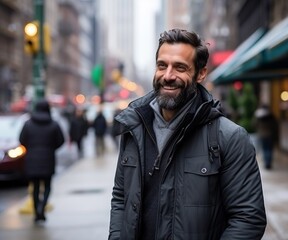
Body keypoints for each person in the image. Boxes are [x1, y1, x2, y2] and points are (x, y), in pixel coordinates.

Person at [108, 29, 266, 239]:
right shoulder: (134, 128)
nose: (168, 76)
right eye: (162, 65)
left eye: (180, 67)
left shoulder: (230, 138)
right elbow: (121, 198)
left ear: (200, 73)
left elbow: (248, 219)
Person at [19, 99, 65, 223]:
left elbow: (21, 139)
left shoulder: (28, 124)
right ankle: (41, 208)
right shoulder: (54, 124)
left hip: (32, 160)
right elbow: (61, 140)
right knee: (48, 186)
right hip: (48, 159)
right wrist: (50, 148)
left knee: (35, 187)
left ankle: (37, 211)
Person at [255, 104, 278, 169]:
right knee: (269, 149)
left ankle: (266, 163)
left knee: (265, 149)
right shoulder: (271, 116)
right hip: (270, 135)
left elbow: (254, 124)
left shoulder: (259, 116)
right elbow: (275, 125)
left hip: (262, 135)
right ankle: (269, 162)